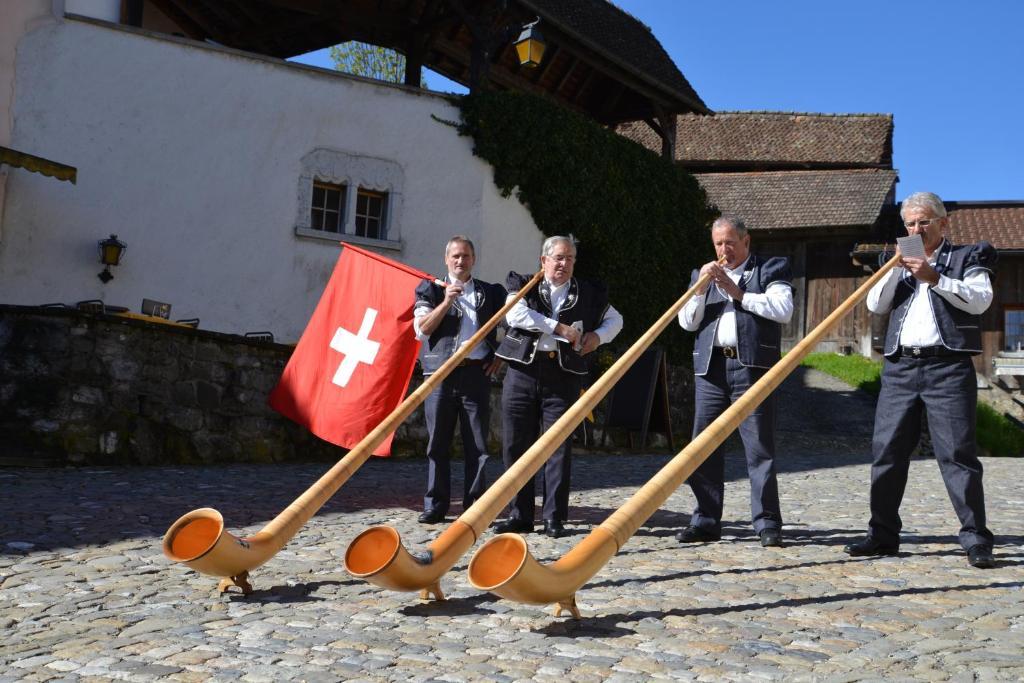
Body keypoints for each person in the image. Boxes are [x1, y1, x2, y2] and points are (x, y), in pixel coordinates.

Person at [844, 191, 997, 568]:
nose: (916, 229)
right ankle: (882, 535)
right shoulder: (893, 260)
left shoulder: (966, 257)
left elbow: (981, 300)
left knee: (957, 455)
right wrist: (897, 267)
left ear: (943, 223)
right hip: (899, 368)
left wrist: (937, 278)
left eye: (923, 222)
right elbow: (875, 304)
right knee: (887, 452)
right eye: (910, 223)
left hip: (947, 368)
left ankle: (976, 538)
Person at [493, 235, 623, 538]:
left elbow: (616, 320)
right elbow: (515, 315)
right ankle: (520, 514)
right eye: (558, 258)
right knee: (516, 446)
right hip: (522, 372)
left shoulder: (588, 292)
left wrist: (597, 338)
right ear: (544, 261)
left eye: (569, 259)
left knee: (558, 449)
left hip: (563, 376)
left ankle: (554, 517)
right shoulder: (523, 284)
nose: (563, 264)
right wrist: (558, 327)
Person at [676, 215, 793, 548]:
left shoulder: (770, 269)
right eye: (718, 243)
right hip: (710, 370)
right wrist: (699, 290)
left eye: (730, 242)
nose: (723, 249)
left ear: (746, 241)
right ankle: (705, 520)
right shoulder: (703, 275)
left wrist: (739, 293)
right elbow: (687, 323)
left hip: (752, 369)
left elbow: (784, 309)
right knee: (704, 448)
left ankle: (767, 522)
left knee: (759, 449)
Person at [412, 236, 507, 524]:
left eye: (465, 256)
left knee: (478, 446)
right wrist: (446, 302)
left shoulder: (490, 293)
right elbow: (422, 330)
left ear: (473, 260)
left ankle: (476, 506)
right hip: (439, 375)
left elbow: (516, 324)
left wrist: (502, 354)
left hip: (475, 373)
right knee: (437, 444)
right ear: (446, 260)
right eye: (455, 256)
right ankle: (435, 505)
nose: (460, 261)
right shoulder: (430, 289)